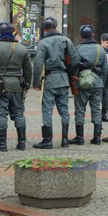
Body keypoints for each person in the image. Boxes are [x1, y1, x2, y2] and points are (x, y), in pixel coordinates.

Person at [0, 21, 32, 151]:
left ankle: (2, 144)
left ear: (0, 32)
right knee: (19, 113)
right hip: (17, 85)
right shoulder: (22, 49)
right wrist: (26, 85)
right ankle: (21, 143)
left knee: (1, 114)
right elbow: (28, 70)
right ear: (13, 31)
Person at [32, 17, 79, 149]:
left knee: (47, 110)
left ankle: (47, 140)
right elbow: (75, 59)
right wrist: (70, 73)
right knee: (64, 110)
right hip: (64, 79)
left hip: (50, 80)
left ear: (45, 28)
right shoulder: (66, 40)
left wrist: (36, 82)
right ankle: (65, 139)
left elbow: (38, 63)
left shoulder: (43, 43)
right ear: (56, 26)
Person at [69, 25, 108, 145]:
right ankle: (97, 137)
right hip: (97, 83)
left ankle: (79, 137)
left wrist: (74, 82)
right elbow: (106, 69)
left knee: (80, 110)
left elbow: (73, 67)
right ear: (92, 35)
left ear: (81, 36)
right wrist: (103, 83)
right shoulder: (100, 49)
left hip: (82, 83)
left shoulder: (78, 49)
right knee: (96, 109)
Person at [100, 33, 108, 122]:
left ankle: (103, 114)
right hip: (100, 77)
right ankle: (96, 115)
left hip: (107, 77)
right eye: (106, 42)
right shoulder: (99, 51)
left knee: (106, 98)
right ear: (102, 41)